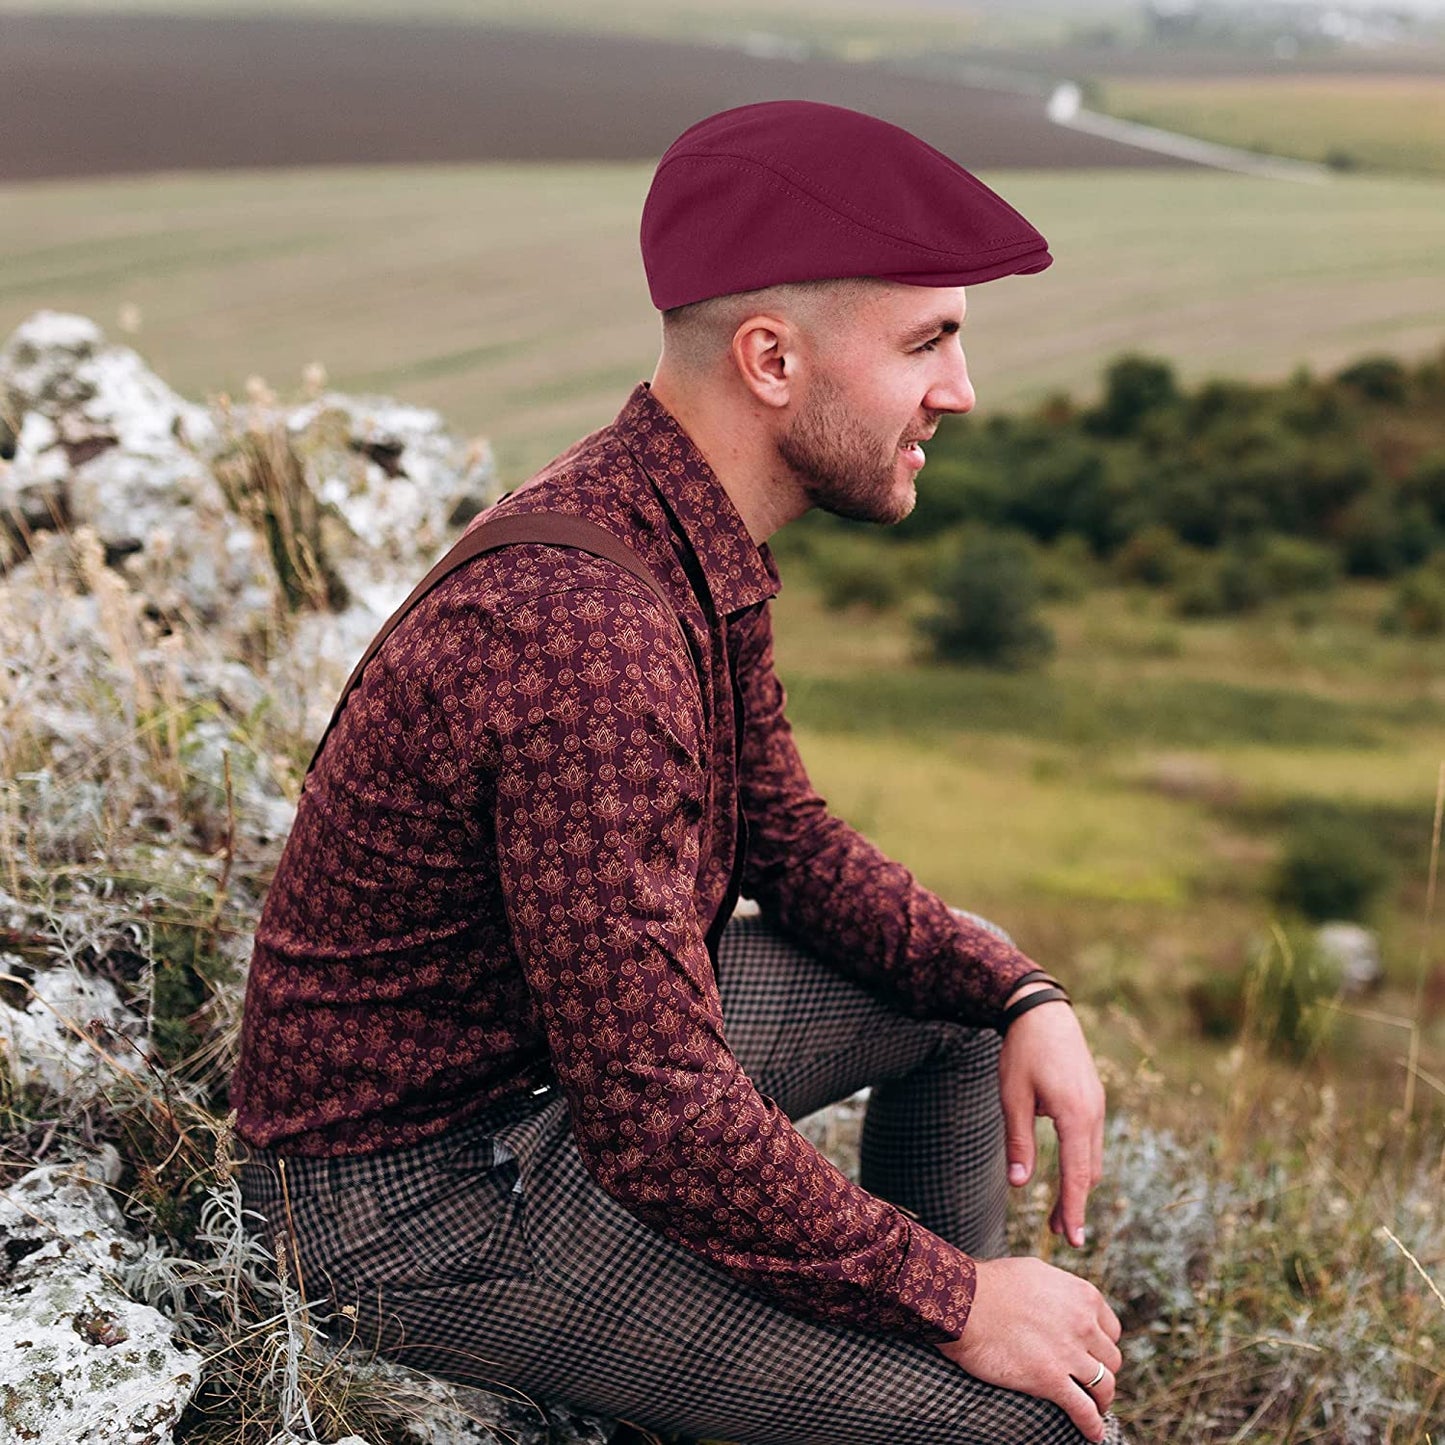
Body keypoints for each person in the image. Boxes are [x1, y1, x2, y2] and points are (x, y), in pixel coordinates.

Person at [232, 99, 1125, 1445]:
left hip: (538, 1098)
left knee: (956, 997)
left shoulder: (674, 521)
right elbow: (655, 1114)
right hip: (410, 1208)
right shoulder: (587, 625)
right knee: (1021, 1426)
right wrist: (954, 1300)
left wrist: (1020, 990)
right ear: (769, 358)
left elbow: (784, 834)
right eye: (925, 341)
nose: (960, 388)